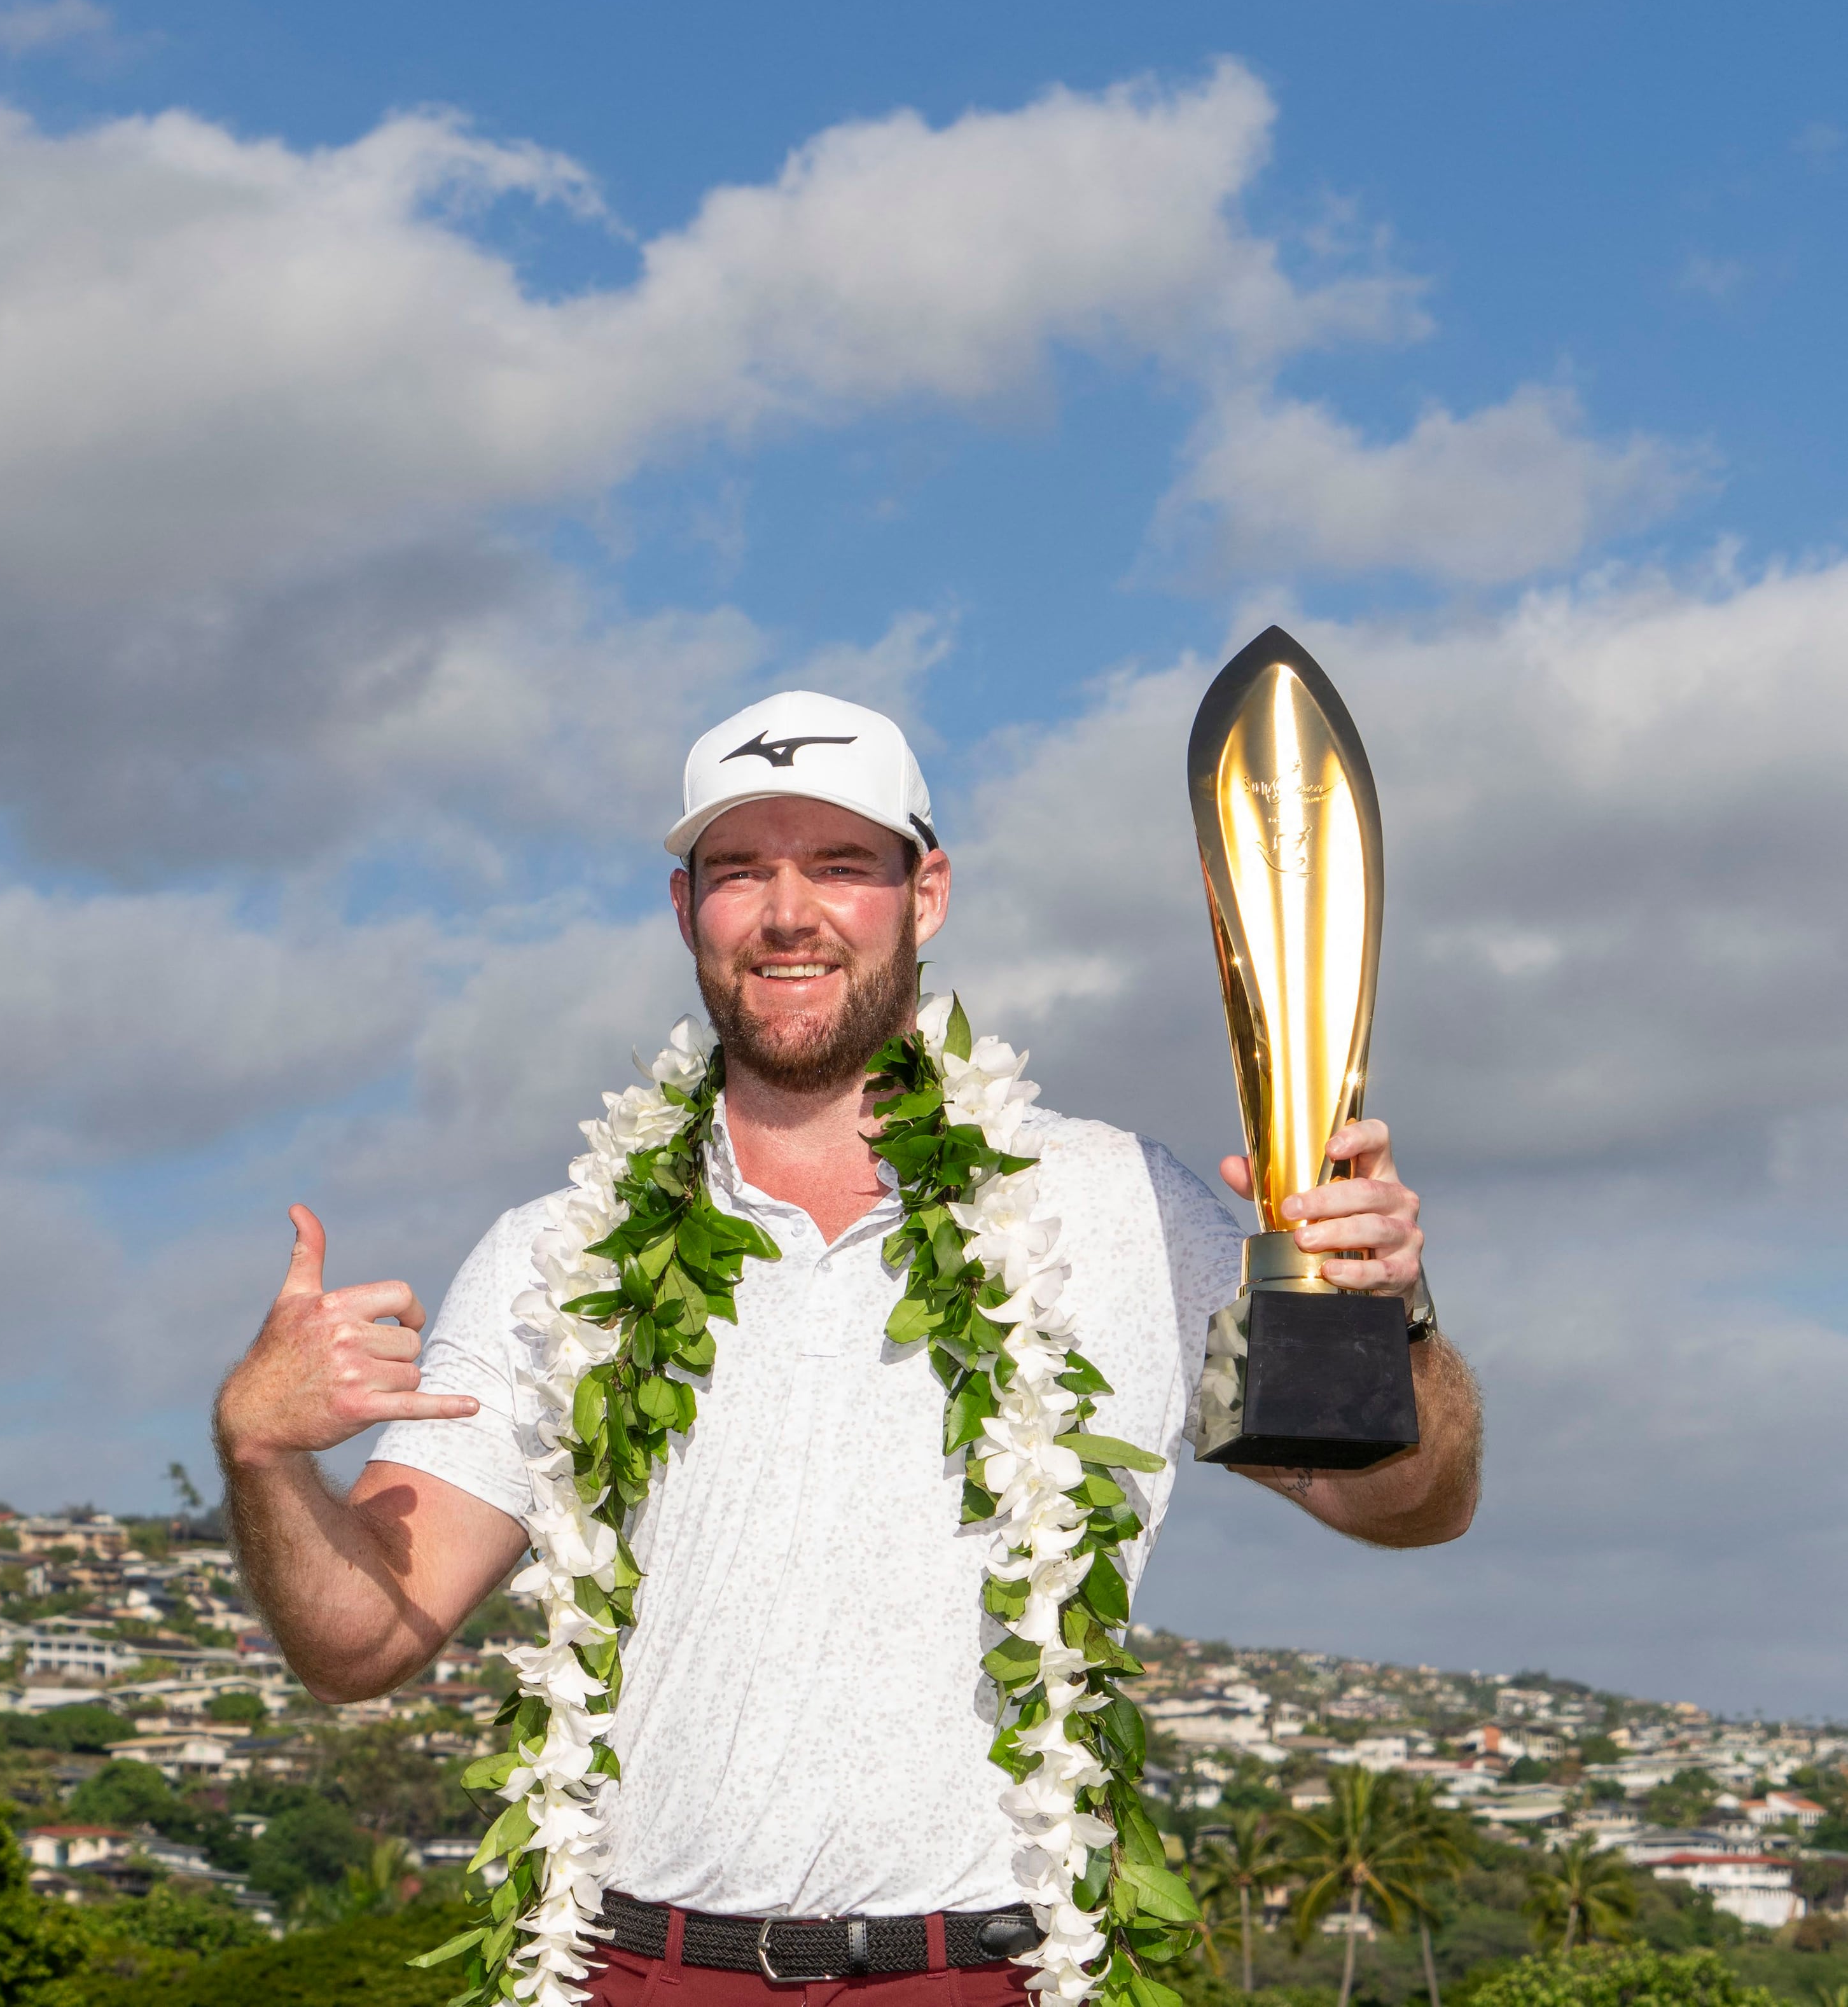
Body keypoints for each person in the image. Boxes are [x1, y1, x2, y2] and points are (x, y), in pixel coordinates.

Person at [212, 689, 1480, 2004]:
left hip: (985, 1969)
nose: (785, 912)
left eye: (838, 865)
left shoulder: (1120, 1204)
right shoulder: (555, 1252)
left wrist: (1387, 1319)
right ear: (682, 905)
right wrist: (258, 1448)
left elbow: (1402, 1503)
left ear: (923, 894)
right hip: (635, 1970)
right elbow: (356, 1636)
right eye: (738, 870)